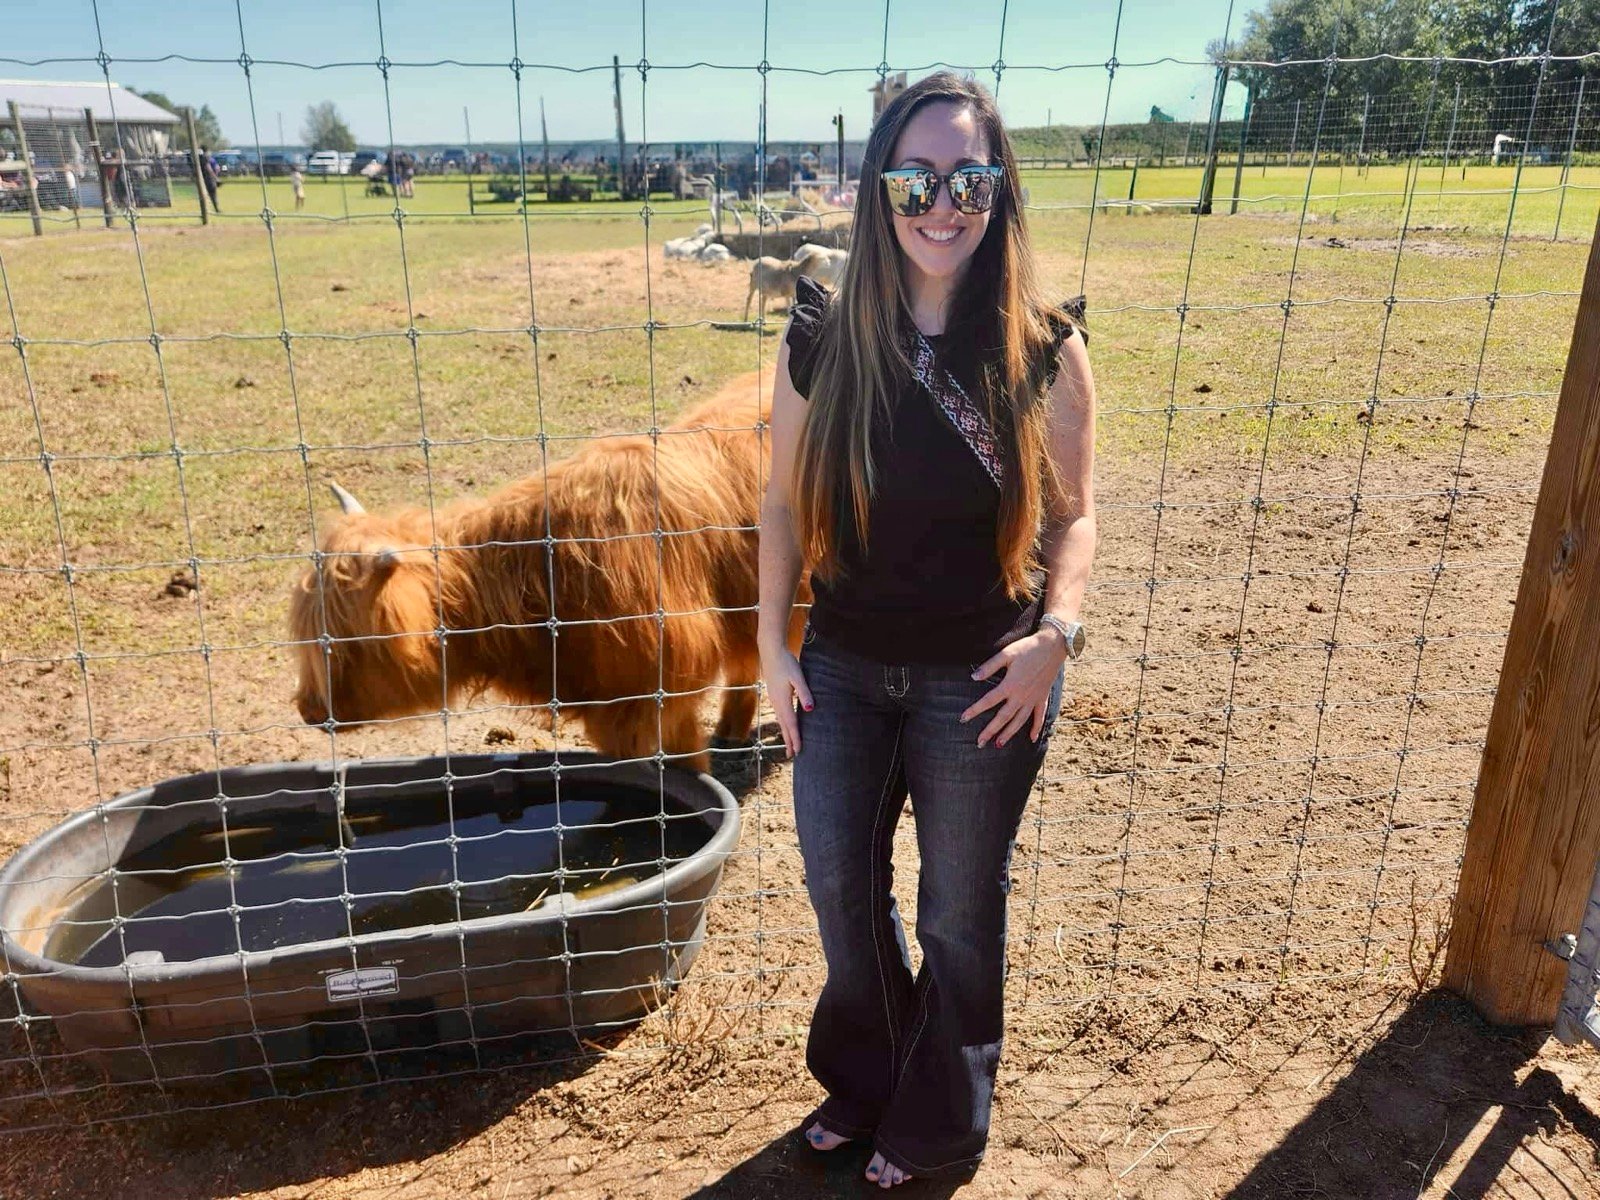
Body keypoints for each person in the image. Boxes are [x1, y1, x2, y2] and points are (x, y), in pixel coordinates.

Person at [758, 71, 1097, 1187]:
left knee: (957, 914)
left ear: (999, 190)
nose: (941, 201)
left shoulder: (1043, 346)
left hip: (982, 677)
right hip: (842, 667)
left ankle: (942, 1118)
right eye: (915, 175)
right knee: (840, 897)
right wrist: (769, 646)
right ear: (878, 187)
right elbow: (780, 501)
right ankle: (867, 1079)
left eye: (969, 176)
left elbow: (1072, 517)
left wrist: (1059, 634)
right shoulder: (821, 333)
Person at [198, 146, 221, 213]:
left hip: (204, 178)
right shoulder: (206, 158)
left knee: (205, 195)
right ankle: (215, 209)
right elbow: (210, 169)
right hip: (208, 179)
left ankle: (207, 210)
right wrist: (216, 178)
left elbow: (216, 168)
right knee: (212, 194)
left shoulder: (201, 158)